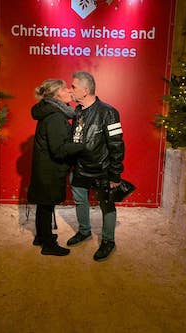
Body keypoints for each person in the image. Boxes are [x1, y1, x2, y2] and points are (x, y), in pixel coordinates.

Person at [67, 71, 125, 261]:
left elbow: (116, 144)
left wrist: (115, 175)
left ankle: (108, 241)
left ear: (85, 90)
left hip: (103, 169)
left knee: (107, 206)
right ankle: (84, 231)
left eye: (73, 86)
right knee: (79, 201)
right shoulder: (77, 112)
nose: (70, 90)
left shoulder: (109, 112)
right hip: (80, 168)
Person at [27, 79, 83, 256]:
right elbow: (59, 150)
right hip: (50, 170)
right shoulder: (56, 117)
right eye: (65, 89)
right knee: (46, 204)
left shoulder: (50, 112)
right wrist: (83, 145)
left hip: (44, 168)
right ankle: (48, 245)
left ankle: (42, 237)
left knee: (44, 204)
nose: (69, 91)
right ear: (57, 95)